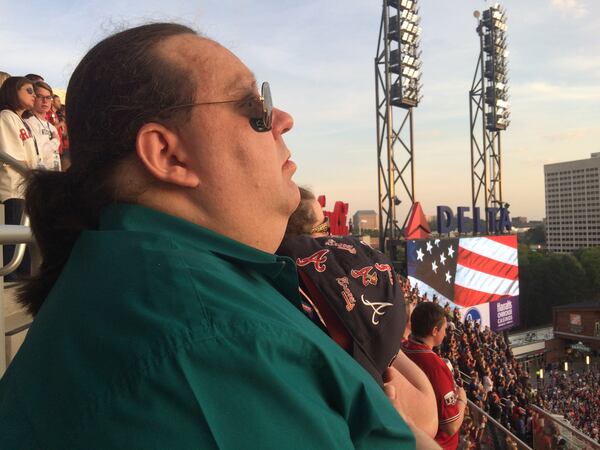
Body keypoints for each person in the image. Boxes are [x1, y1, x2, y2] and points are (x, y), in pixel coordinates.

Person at [0, 23, 431, 449]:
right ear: (169, 154)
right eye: (253, 108)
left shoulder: (143, 283)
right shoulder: (214, 345)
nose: (283, 119)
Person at [278, 186, 438, 438]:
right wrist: (396, 342)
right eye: (323, 228)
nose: (330, 235)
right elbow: (428, 420)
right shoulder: (322, 299)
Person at [402, 301, 468, 450]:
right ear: (434, 331)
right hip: (436, 444)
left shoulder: (403, 348)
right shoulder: (436, 367)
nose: (445, 333)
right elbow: (451, 426)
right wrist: (463, 399)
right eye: (444, 329)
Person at [0, 76, 38, 278]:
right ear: (13, 91)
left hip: (26, 187)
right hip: (14, 187)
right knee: (13, 247)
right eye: (29, 91)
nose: (34, 95)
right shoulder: (6, 116)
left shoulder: (21, 121)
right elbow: (11, 156)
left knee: (24, 247)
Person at [24, 81, 61, 171]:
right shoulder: (27, 123)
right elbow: (37, 155)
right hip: (40, 178)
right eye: (40, 97)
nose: (45, 101)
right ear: (33, 98)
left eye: (48, 97)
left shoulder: (52, 127)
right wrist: (55, 141)